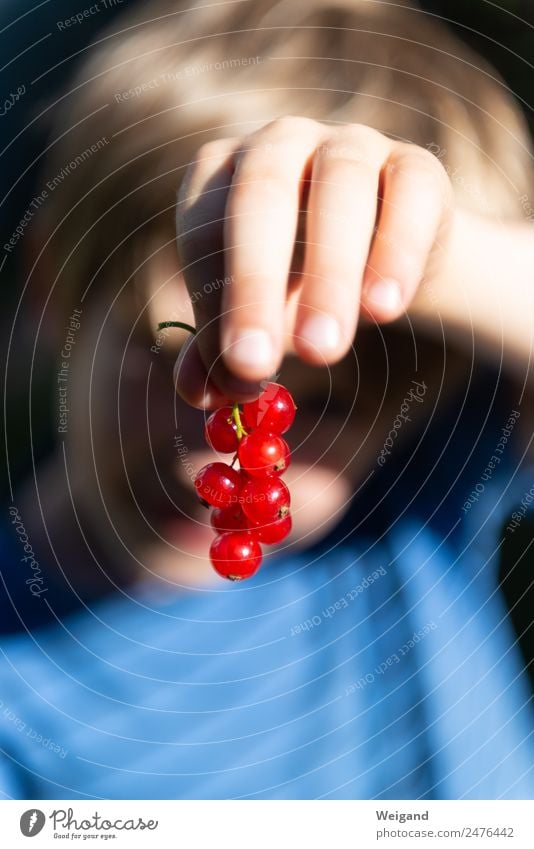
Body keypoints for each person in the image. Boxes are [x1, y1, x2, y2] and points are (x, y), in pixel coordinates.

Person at [0, 0, 533, 799]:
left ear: (428, 400)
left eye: (328, 405)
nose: (228, 446)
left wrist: (445, 262)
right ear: (52, 287)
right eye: (181, 359)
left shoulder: (427, 486)